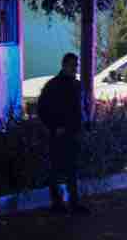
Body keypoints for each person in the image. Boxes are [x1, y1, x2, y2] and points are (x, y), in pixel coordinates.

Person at [37, 52, 90, 215]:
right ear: (64, 65)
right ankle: (57, 203)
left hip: (74, 133)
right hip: (59, 134)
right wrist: (54, 127)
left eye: (76, 65)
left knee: (72, 169)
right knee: (55, 168)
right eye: (72, 65)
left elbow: (82, 106)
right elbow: (42, 109)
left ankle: (74, 203)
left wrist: (86, 123)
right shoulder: (53, 85)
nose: (75, 68)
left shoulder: (77, 85)